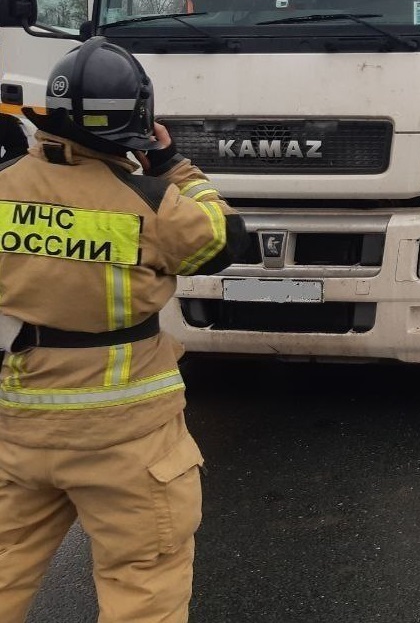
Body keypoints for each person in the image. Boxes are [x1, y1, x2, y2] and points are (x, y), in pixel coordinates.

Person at [0, 37, 247, 622]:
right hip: (126, 436)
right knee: (143, 586)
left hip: (20, 428)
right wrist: (174, 165)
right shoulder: (154, 203)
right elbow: (227, 239)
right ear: (140, 122)